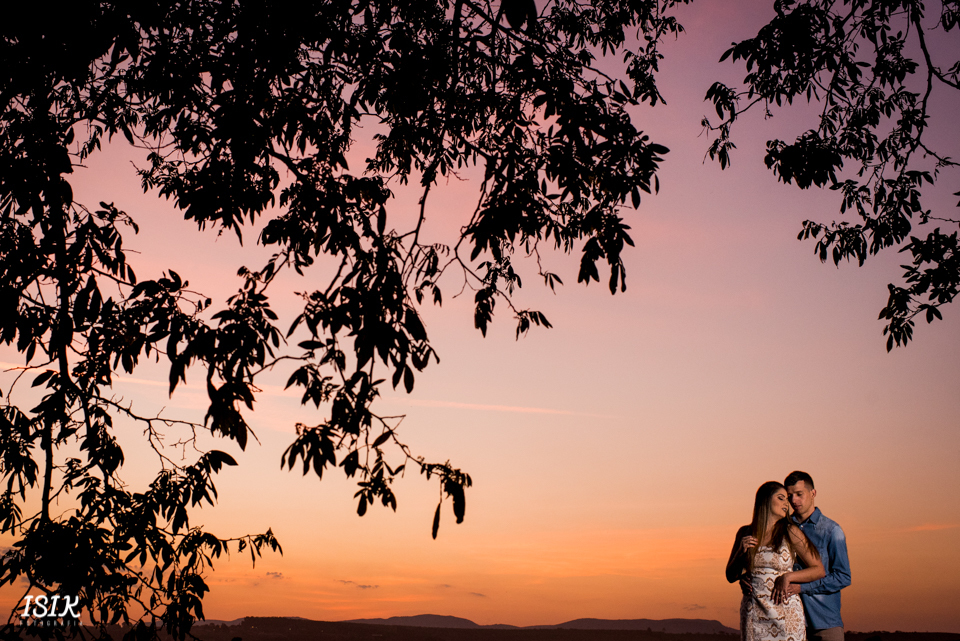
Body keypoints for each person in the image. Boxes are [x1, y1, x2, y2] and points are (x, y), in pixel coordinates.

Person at [727, 481, 825, 641]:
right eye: (781, 498)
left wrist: (788, 577)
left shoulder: (790, 531)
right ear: (765, 500)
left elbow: (818, 569)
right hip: (754, 612)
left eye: (787, 499)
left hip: (786, 611)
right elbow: (730, 575)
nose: (787, 503)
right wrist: (740, 553)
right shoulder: (745, 532)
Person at [783, 471, 852, 641]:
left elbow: (843, 577)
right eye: (790, 496)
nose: (794, 501)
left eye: (799, 494)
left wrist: (802, 588)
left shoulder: (831, 530)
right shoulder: (781, 529)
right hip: (789, 621)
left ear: (813, 493)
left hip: (824, 623)